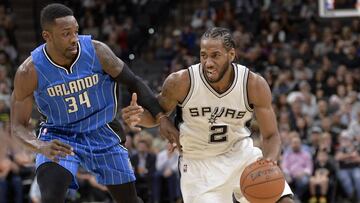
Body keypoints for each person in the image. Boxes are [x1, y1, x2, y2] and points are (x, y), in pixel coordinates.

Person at [10, 3, 177, 203]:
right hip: (60, 135)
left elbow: (134, 82)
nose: (74, 39)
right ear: (47, 36)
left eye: (76, 32)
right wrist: (40, 146)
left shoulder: (97, 51)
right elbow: (17, 126)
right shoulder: (29, 72)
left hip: (102, 128)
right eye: (66, 34)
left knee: (130, 200)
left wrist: (161, 117)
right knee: (51, 197)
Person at [122, 27, 294, 203]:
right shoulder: (181, 82)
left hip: (241, 155)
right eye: (203, 55)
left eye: (215, 55)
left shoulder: (253, 84)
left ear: (231, 54)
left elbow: (271, 135)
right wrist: (138, 117)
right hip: (199, 164)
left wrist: (270, 162)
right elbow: (157, 115)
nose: (208, 62)